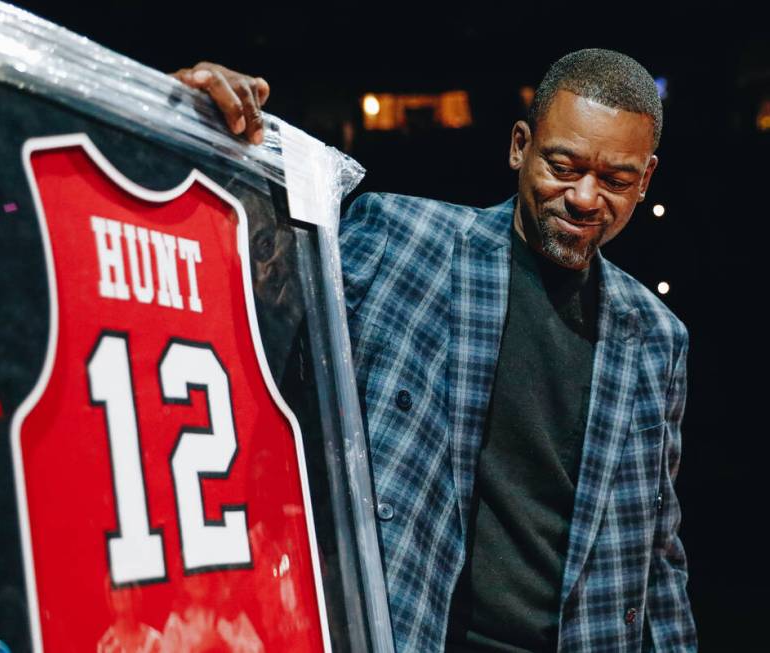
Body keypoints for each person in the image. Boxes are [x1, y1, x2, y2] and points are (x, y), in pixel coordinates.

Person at [175, 49, 697, 652]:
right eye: (563, 165)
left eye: (615, 180)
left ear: (646, 180)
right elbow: (243, 293)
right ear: (519, 146)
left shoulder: (657, 338)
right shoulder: (401, 241)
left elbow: (658, 555)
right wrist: (193, 125)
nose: (584, 197)